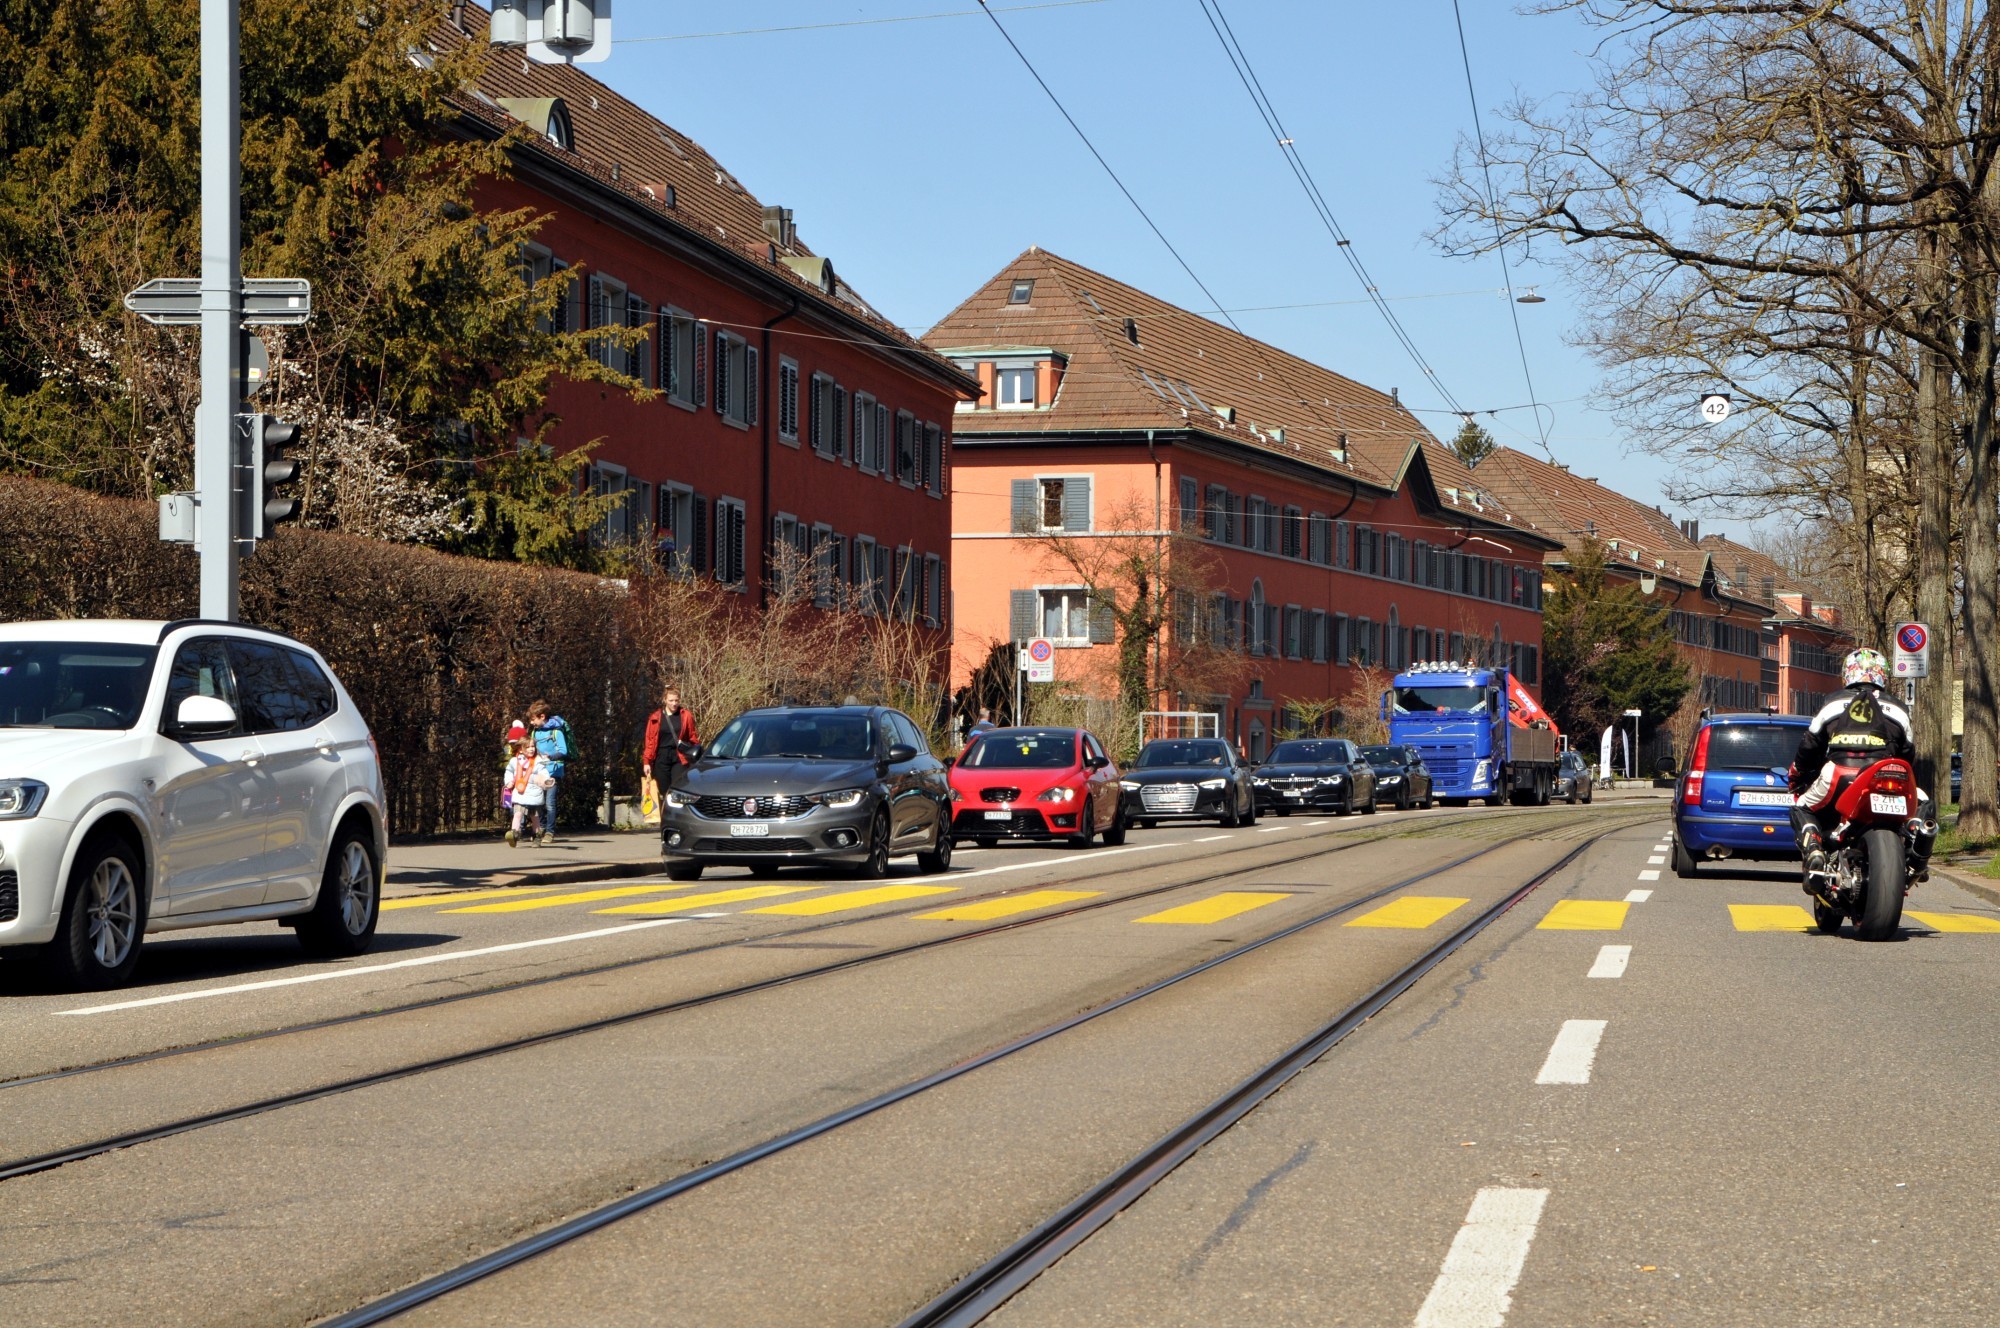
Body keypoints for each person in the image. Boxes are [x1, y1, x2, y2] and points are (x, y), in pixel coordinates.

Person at [1788, 647, 1937, 893]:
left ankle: (1814, 847)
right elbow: (1908, 753)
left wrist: (1799, 773)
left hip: (1838, 775)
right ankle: (1916, 851)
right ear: (1883, 675)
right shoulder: (1899, 708)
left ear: (1848, 673)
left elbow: (1810, 745)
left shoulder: (1832, 702)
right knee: (1924, 803)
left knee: (1801, 807)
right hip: (1885, 774)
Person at [642, 684, 700, 801]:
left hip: (679, 756)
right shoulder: (656, 717)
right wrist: (647, 761)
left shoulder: (685, 716)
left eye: (676, 700)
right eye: (671, 700)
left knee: (677, 788)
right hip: (661, 756)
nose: (674, 704)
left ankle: (677, 815)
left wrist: (696, 753)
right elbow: (650, 741)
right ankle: (666, 816)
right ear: (665, 700)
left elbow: (692, 737)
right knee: (664, 790)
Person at [526, 700, 572, 846]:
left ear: (542, 716)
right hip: (539, 773)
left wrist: (550, 757)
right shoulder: (535, 732)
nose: (531, 722)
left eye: (533, 719)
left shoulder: (556, 732)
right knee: (537, 803)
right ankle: (540, 829)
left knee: (550, 803)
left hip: (553, 772)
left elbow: (563, 751)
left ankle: (550, 832)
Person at [502, 737, 554, 848]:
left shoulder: (538, 761)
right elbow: (509, 772)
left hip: (534, 794)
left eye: (533, 746)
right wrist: (509, 782)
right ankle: (514, 833)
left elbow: (543, 773)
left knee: (535, 817)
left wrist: (546, 780)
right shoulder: (514, 761)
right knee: (517, 814)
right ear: (520, 749)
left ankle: (536, 836)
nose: (531, 749)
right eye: (528, 747)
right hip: (520, 793)